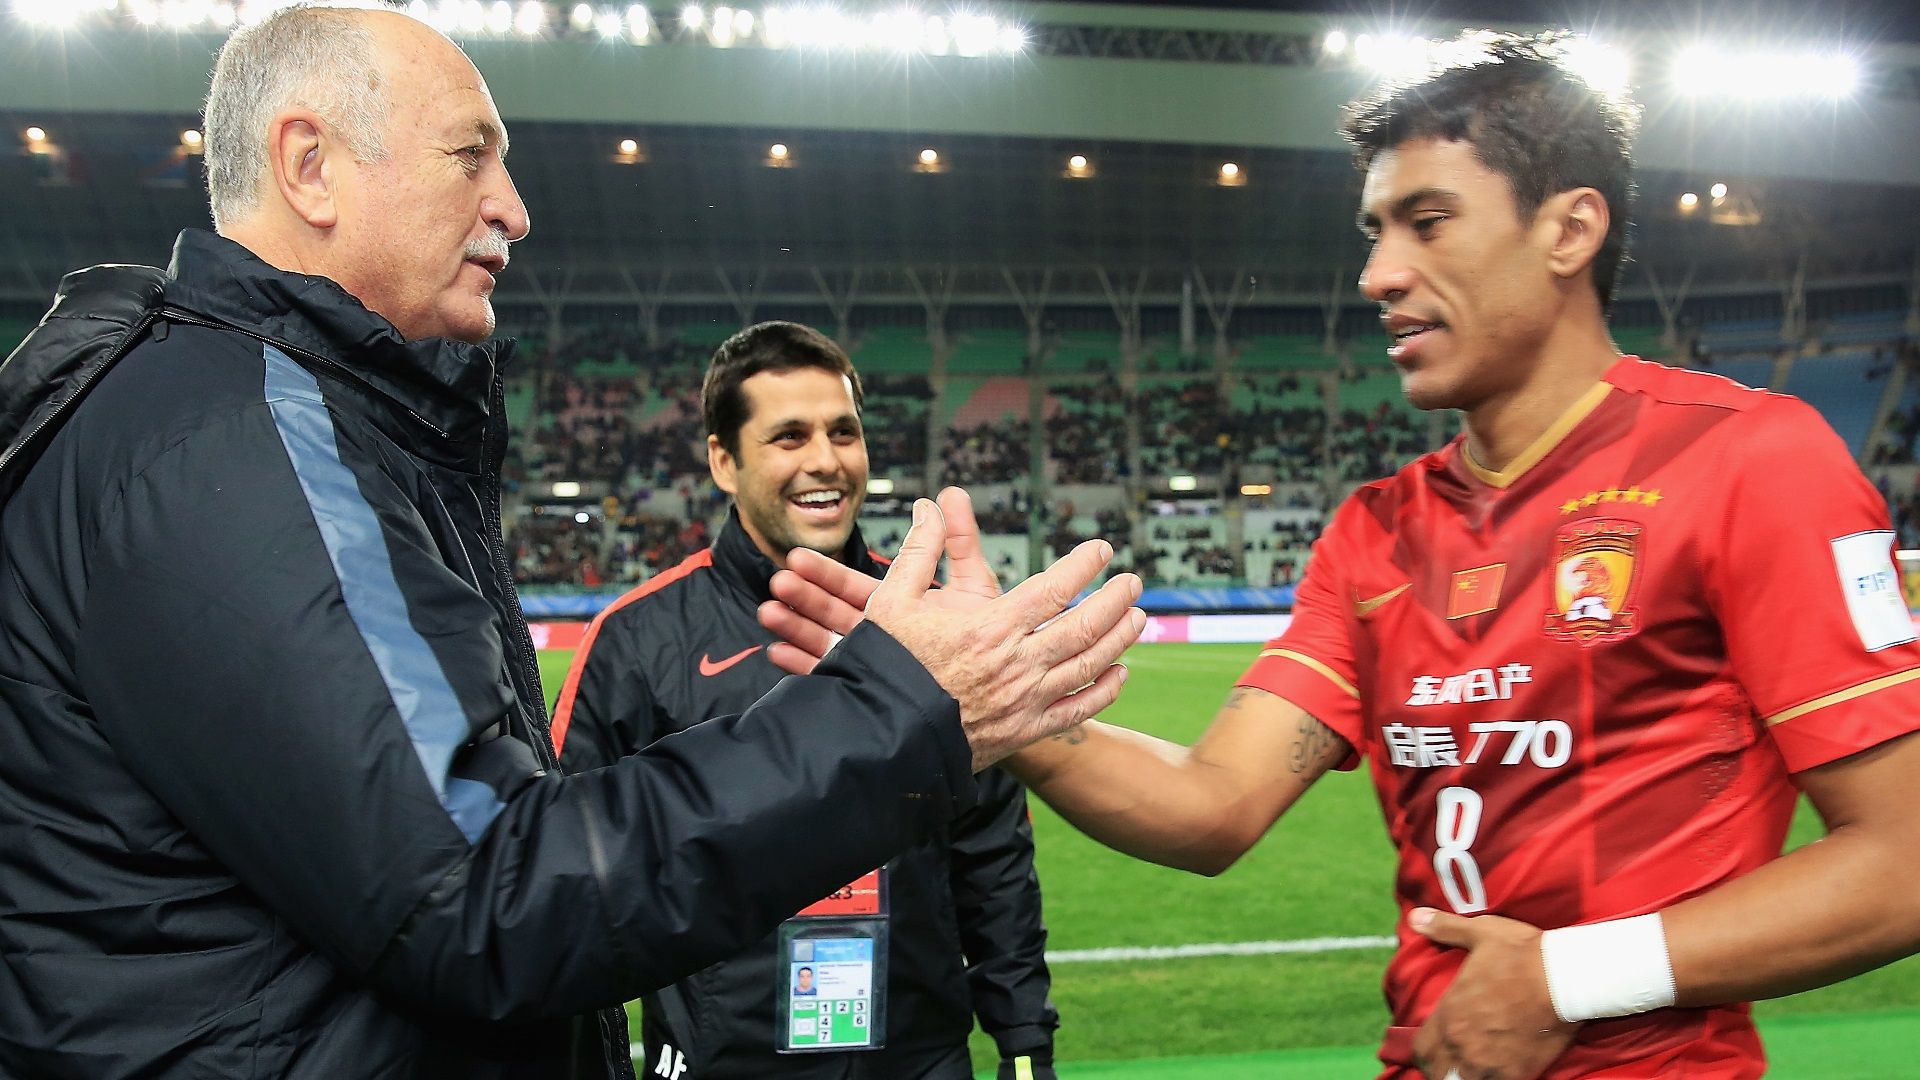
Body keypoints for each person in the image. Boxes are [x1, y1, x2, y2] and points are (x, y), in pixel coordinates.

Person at [0, 7, 1141, 1079]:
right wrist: (898, 711)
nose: (514, 208)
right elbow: (481, 896)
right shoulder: (233, 440)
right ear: (311, 166)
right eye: (470, 156)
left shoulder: (272, 419)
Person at [758, 32, 1920, 1080]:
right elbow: (1214, 806)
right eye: (1375, 232)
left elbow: (1904, 858)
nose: (1378, 276)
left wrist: (1572, 979)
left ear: (1570, 230)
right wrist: (991, 707)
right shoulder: (1378, 530)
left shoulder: (1748, 462)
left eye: (1429, 221)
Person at [551, 322, 1059, 1080]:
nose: (826, 460)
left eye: (843, 432)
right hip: (722, 1065)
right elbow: (566, 877)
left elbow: (991, 853)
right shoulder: (634, 640)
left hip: (918, 1061)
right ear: (724, 461)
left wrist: (1024, 1044)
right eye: (789, 436)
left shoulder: (938, 626)